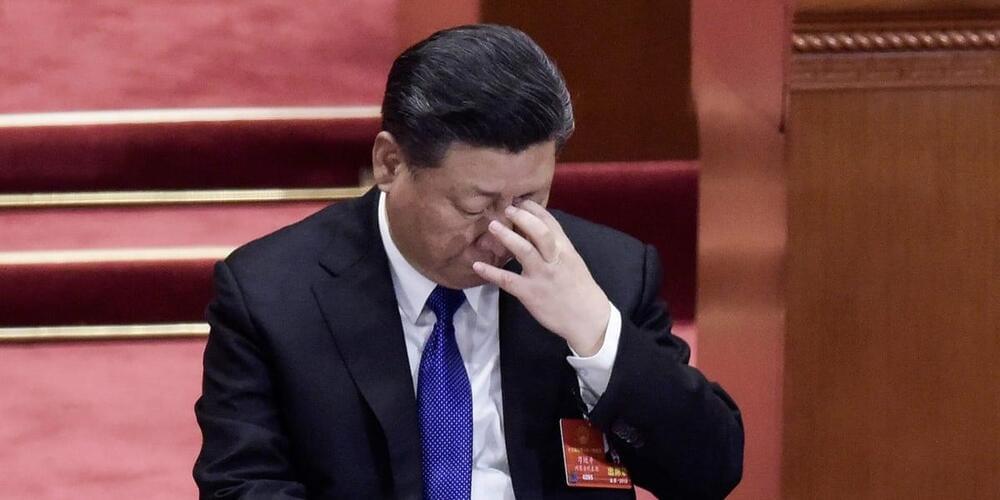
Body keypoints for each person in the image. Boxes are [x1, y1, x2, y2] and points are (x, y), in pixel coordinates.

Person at [194, 24, 743, 499]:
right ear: (390, 164)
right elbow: (241, 485)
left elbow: (709, 472)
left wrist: (596, 335)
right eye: (475, 206)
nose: (502, 232)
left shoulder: (605, 272)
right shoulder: (271, 294)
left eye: (529, 200)